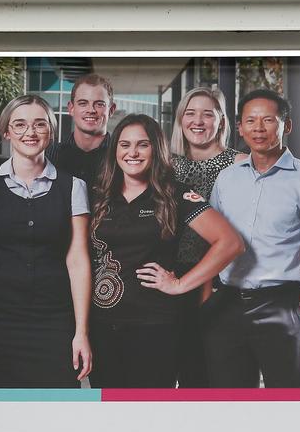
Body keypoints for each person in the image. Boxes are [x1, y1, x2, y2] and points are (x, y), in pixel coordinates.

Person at [88, 114, 242, 388]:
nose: (132, 152)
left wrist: (180, 284)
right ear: (115, 151)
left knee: (151, 416)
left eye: (142, 145)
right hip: (102, 324)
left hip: (155, 325)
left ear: (156, 149)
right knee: (108, 416)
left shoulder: (175, 194)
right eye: (124, 145)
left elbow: (230, 242)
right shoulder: (98, 195)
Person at [0, 95, 93, 387]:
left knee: (52, 416)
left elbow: (77, 261)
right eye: (20, 124)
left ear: (51, 132)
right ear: (6, 131)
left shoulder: (73, 187)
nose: (30, 132)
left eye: (39, 124)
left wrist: (81, 332)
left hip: (53, 321)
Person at [204, 89, 300, 388]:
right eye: (250, 120)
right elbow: (214, 241)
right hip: (228, 303)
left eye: (268, 120)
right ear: (239, 127)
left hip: (281, 302)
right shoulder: (227, 178)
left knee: (291, 401)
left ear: (286, 125)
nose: (258, 128)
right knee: (229, 400)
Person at [169, 87, 246, 387]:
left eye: (207, 114)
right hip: (173, 279)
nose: (197, 121)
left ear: (221, 122)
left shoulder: (240, 164)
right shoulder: (167, 165)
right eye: (190, 113)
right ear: (180, 120)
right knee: (177, 370)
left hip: (221, 283)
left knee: (214, 375)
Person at [47, 73, 117, 183]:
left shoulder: (121, 156)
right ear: (71, 108)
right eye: (83, 103)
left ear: (111, 110)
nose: (91, 110)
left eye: (99, 104)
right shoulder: (50, 155)